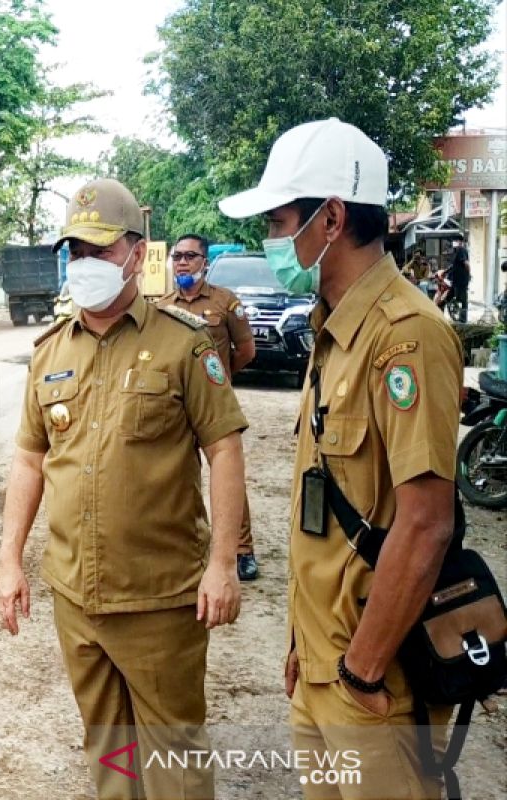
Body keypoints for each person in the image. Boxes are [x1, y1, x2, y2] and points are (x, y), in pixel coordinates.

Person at [219, 118, 461, 799]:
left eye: (278, 219)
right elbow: (324, 511)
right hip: (324, 669)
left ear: (330, 218)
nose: (271, 239)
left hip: (374, 686)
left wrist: (360, 670)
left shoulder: (405, 335)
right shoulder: (334, 332)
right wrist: (305, 647)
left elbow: (425, 523)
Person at [0, 178, 248, 799]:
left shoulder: (183, 343)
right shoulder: (51, 351)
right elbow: (29, 462)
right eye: (76, 251)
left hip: (161, 600)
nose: (86, 264)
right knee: (109, 755)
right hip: (76, 597)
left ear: (138, 253)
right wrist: (9, 562)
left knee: (174, 763)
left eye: (101, 250)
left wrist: (222, 564)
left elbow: (224, 449)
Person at [158, 234, 261, 580]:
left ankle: (241, 549)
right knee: (176, 474)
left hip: (213, 406)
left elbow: (246, 350)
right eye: (177, 256)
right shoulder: (163, 305)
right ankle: (183, 543)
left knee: (226, 471)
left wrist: (220, 378)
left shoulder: (225, 302)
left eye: (190, 256)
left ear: (205, 261)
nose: (182, 262)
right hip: (175, 406)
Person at [448, 234, 470, 322]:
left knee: (462, 300)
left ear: (460, 241)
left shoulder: (461, 250)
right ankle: (457, 317)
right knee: (452, 298)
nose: (454, 243)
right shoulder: (456, 251)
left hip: (461, 280)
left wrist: (467, 275)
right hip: (456, 281)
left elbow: (466, 264)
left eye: (455, 241)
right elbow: (454, 265)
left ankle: (463, 319)